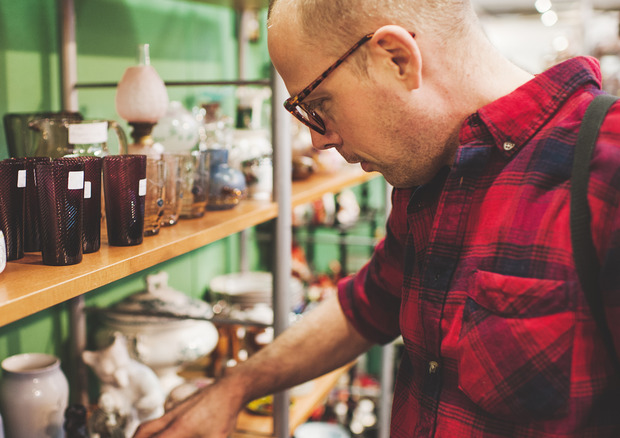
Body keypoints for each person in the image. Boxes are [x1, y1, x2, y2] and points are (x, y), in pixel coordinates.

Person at [134, 0, 620, 436]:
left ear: (396, 58)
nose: (318, 140)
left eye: (318, 104)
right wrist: (233, 388)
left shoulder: (605, 169)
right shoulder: (430, 173)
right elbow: (367, 305)